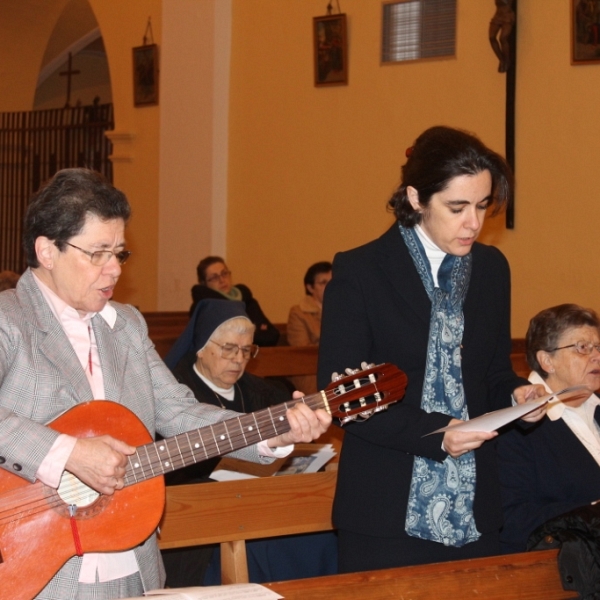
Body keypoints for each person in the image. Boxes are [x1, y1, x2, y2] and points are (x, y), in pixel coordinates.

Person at [0, 168, 331, 600]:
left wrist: (272, 431)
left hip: (131, 560)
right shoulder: (10, 320)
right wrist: (69, 452)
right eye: (98, 253)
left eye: (119, 253)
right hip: (32, 561)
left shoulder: (126, 325)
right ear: (47, 250)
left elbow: (179, 409)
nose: (114, 269)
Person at [317, 125, 546, 574]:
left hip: (476, 506)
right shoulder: (361, 272)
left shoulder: (491, 269)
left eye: (482, 206)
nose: (474, 223)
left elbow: (493, 374)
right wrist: (438, 433)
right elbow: (343, 399)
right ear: (416, 198)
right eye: (457, 207)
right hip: (386, 510)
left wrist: (518, 396)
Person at [162, 298, 337, 586]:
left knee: (321, 535)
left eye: (246, 350)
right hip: (204, 518)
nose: (239, 359)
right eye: (229, 349)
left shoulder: (266, 393)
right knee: (264, 548)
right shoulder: (176, 396)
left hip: (265, 506)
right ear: (202, 348)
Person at [497, 304, 600, 553]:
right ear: (547, 361)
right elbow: (513, 520)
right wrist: (592, 511)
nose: (596, 356)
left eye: (598, 347)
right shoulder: (513, 425)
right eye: (582, 348)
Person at [190, 256, 280, 347]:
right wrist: (255, 333)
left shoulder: (248, 301)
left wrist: (242, 336)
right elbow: (221, 341)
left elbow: (272, 335)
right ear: (204, 284)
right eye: (214, 278)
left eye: (224, 273)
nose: (222, 280)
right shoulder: (204, 308)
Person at [286, 261, 332, 394]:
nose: (329, 286)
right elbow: (302, 351)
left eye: (332, 281)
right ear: (310, 287)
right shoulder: (298, 312)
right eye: (323, 282)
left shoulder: (343, 309)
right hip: (310, 371)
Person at [489, 0, 515, 73]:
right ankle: (501, 59)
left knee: (503, 38)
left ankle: (506, 60)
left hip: (507, 16)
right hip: (497, 16)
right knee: (492, 37)